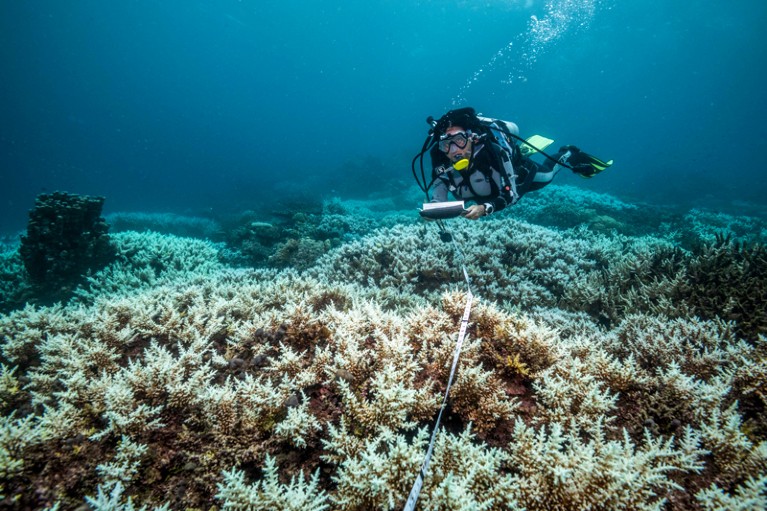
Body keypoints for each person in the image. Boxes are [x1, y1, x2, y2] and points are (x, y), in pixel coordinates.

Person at [412, 107, 612, 220]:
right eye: (446, 145)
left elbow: (511, 195)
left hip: (517, 176)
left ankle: (569, 153)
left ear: (472, 138)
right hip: (480, 191)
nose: (454, 150)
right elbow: (439, 191)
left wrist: (485, 208)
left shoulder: (493, 151)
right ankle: (519, 150)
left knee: (548, 176)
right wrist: (434, 209)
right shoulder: (441, 159)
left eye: (459, 141)